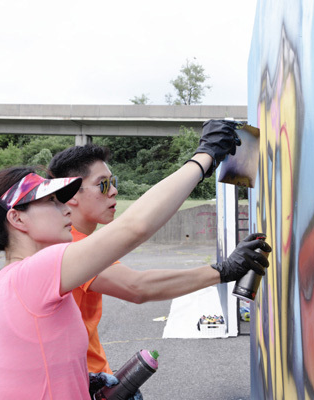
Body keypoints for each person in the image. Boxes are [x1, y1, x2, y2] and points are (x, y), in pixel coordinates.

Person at [0, 120, 271, 399]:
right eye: (51, 201)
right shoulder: (36, 270)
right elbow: (135, 229)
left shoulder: (14, 277)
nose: (65, 208)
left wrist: (80, 383)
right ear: (17, 220)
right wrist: (204, 157)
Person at [47, 119, 273, 382]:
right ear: (72, 193)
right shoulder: (67, 246)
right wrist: (224, 271)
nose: (115, 191)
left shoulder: (75, 241)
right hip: (77, 385)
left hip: (92, 379)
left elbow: (141, 227)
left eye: (114, 181)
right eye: (104, 184)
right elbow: (137, 286)